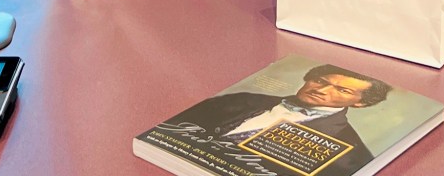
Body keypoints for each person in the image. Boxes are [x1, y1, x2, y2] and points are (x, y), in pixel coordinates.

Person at [166, 63, 390, 171]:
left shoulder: (350, 154)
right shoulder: (243, 98)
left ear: (361, 103)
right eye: (321, 81)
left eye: (343, 91)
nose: (321, 91)